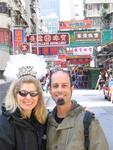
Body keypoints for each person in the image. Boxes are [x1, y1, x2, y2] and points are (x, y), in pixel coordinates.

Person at [46, 69, 109, 150]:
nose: (60, 90)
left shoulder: (88, 122)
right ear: (50, 90)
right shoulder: (46, 121)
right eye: (55, 86)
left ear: (71, 89)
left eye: (64, 85)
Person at [0, 66, 48, 150]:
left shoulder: (41, 119)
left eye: (33, 93)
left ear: (39, 96)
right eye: (23, 93)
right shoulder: (4, 125)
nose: (28, 97)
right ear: (15, 94)